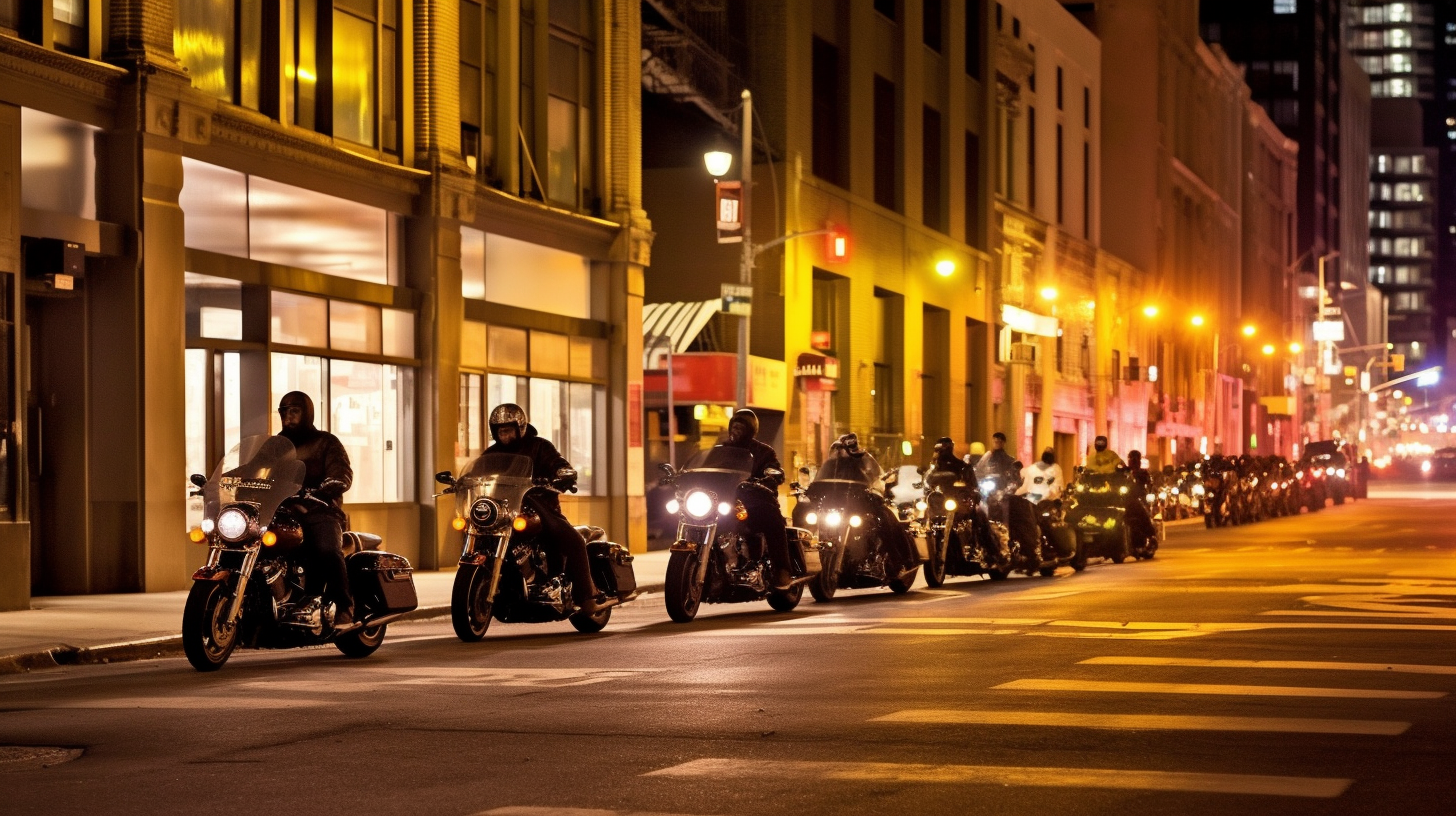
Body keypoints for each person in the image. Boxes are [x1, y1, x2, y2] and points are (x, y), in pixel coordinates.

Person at [485, 403, 604, 613]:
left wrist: (563, 472)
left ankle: (587, 596)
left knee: (574, 541)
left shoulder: (539, 446)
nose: (504, 436)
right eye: (500, 431)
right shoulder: (491, 454)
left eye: (508, 430)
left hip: (540, 507)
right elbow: (479, 475)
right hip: (503, 511)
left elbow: (557, 462)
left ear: (519, 428)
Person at [277, 391, 355, 628]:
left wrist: (334, 482)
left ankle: (345, 606)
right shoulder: (277, 445)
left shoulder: (326, 442)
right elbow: (254, 469)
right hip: (284, 510)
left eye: (294, 411)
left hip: (320, 509)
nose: (288, 417)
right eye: (284, 411)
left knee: (327, 550)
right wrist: (227, 480)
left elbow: (341, 471)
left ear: (307, 412)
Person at [723, 409, 793, 590]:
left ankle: (782, 570)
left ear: (750, 430)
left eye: (741, 427)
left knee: (772, 521)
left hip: (756, 498)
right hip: (727, 498)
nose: (736, 430)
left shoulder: (763, 451)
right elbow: (708, 468)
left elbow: (774, 469)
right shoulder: (722, 450)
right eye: (734, 426)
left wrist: (771, 476)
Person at [830, 433, 919, 575]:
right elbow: (824, 482)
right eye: (841, 451)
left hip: (863, 502)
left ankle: (898, 563)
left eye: (847, 450)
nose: (843, 453)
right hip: (841, 505)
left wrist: (875, 487)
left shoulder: (864, 460)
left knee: (884, 521)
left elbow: (877, 476)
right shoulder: (832, 465)